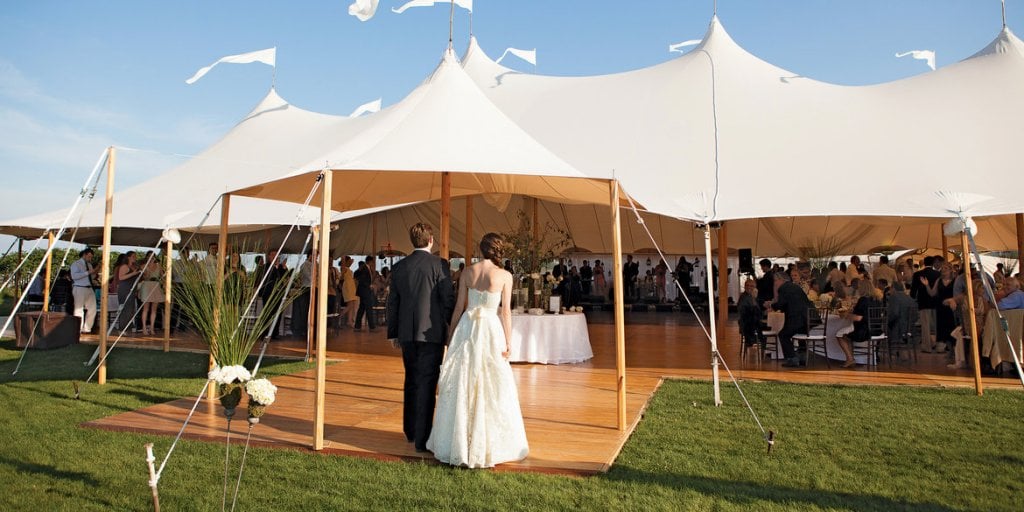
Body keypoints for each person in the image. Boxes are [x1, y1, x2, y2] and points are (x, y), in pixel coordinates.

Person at [427, 232, 529, 467]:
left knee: (464, 381)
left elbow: (457, 308)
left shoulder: (468, 272)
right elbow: (505, 312)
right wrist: (508, 342)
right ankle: (485, 442)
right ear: (499, 251)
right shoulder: (504, 275)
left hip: (468, 328)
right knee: (491, 384)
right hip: (490, 330)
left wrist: (451, 336)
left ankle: (460, 440)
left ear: (481, 249)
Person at [387, 223, 455, 454]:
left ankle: (410, 430)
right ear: (431, 240)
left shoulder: (400, 267)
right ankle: (422, 438)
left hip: (406, 333)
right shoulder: (439, 265)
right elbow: (447, 299)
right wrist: (452, 327)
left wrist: (394, 332)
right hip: (431, 334)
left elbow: (393, 303)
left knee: (411, 380)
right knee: (427, 383)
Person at [836, 279, 882, 368]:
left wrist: (846, 315)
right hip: (876, 330)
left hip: (864, 331)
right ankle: (851, 358)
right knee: (845, 333)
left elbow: (858, 318)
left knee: (840, 334)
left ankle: (850, 358)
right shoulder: (877, 300)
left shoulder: (863, 300)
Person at [771, 271, 811, 367]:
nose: (775, 283)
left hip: (797, 319)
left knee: (783, 335)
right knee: (798, 334)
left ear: (780, 280)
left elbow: (781, 305)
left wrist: (771, 305)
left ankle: (792, 359)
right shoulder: (794, 287)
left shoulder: (784, 288)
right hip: (807, 319)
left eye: (775, 281)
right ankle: (802, 356)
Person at [921, 261, 955, 354]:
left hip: (952, 308)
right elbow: (932, 293)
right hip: (940, 308)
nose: (943, 270)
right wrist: (927, 285)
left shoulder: (954, 281)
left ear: (950, 271)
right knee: (941, 327)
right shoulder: (939, 280)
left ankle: (952, 347)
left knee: (952, 327)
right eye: (942, 268)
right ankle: (942, 346)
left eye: (946, 269)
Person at [70, 248, 100, 333]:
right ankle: (78, 328)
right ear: (84, 255)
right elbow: (74, 276)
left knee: (93, 308)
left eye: (91, 257)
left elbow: (91, 277)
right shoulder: (76, 264)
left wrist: (95, 272)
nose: (90, 259)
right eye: (89, 256)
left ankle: (87, 328)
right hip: (79, 287)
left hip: (89, 287)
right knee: (78, 309)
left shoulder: (89, 265)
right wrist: (88, 272)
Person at [114, 251, 142, 333]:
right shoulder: (124, 266)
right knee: (125, 308)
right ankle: (121, 328)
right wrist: (133, 274)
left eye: (135, 256)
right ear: (128, 257)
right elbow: (121, 277)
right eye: (133, 256)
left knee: (131, 308)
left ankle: (128, 326)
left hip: (132, 289)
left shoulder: (134, 266)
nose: (135, 258)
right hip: (125, 289)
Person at [138, 252, 164, 336]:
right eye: (150, 256)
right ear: (147, 257)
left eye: (153, 257)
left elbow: (163, 276)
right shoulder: (143, 266)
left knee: (154, 309)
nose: (151, 258)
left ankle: (152, 328)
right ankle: (144, 328)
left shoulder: (159, 266)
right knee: (146, 308)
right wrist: (147, 268)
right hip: (147, 285)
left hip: (156, 285)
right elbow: (144, 277)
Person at [737, 279, 762, 349]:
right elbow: (746, 312)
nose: (749, 287)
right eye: (747, 286)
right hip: (747, 324)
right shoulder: (743, 297)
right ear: (744, 287)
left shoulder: (755, 297)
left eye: (752, 286)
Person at [354, 258, 377, 331]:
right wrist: (369, 285)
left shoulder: (366, 268)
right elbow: (362, 279)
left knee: (362, 308)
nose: (373, 263)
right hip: (365, 291)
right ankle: (372, 327)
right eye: (373, 262)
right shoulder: (364, 268)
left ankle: (357, 326)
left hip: (364, 291)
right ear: (370, 261)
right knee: (369, 308)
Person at [340, 256, 359, 329]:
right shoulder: (344, 268)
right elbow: (342, 276)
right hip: (347, 286)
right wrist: (343, 259)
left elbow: (352, 261)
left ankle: (349, 321)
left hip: (351, 286)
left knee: (352, 305)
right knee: (350, 305)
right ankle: (339, 316)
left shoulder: (349, 269)